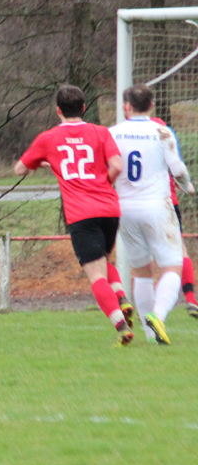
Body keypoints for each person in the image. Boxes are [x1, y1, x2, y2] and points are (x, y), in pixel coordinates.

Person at [14, 85, 133, 346]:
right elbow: (116, 166)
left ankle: (121, 326)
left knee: (95, 274)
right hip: (109, 208)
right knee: (102, 260)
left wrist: (42, 163)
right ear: (83, 108)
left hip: (81, 212)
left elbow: (19, 168)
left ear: (58, 110)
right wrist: (105, 182)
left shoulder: (48, 138)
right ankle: (121, 296)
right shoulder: (101, 132)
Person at [109, 84, 195, 345]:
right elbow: (177, 169)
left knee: (141, 270)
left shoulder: (112, 133)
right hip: (157, 207)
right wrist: (186, 184)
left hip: (125, 208)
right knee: (173, 267)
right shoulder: (161, 132)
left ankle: (150, 336)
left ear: (126, 107)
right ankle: (158, 317)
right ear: (152, 106)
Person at [149, 116, 198, 319]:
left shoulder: (123, 131)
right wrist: (186, 185)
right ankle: (191, 300)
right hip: (168, 202)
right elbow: (175, 166)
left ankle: (150, 309)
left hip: (137, 204)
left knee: (144, 263)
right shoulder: (162, 128)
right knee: (180, 252)